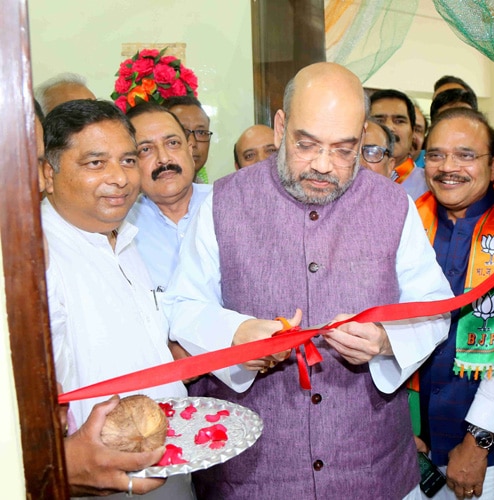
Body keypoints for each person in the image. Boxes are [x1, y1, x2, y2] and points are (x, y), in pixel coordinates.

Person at [164, 62, 454, 499]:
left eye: (343, 149)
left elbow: (433, 307)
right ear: (281, 128)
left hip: (372, 470)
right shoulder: (223, 202)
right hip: (253, 473)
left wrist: (386, 340)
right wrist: (237, 335)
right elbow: (182, 305)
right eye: (307, 145)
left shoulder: (393, 205)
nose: (323, 165)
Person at [41, 99, 193, 499]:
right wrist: (65, 462)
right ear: (47, 173)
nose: (120, 178)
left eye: (128, 160)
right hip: (97, 482)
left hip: (167, 466)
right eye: (95, 163)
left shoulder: (123, 237)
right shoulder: (35, 257)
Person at [415, 107, 494, 500]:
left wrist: (478, 441)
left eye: (465, 155)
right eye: (436, 155)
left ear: (493, 166)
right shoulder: (407, 224)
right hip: (410, 442)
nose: (447, 167)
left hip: (485, 449)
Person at [126, 102, 211, 291]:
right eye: (145, 150)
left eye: (172, 143)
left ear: (190, 149)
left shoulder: (226, 205)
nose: (164, 159)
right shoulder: (120, 228)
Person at [370, 89, 428, 200]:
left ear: (413, 132)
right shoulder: (349, 180)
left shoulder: (430, 186)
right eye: (379, 120)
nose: (389, 127)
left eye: (399, 121)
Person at [163, 96, 212, 182]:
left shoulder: (213, 194)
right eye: (182, 132)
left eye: (201, 132)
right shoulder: (137, 194)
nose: (192, 143)